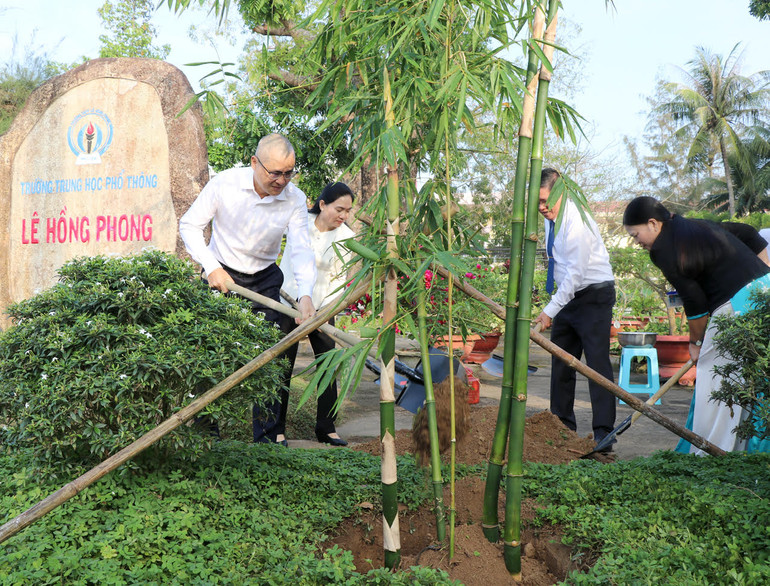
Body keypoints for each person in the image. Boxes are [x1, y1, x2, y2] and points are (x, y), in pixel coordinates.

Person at [179, 133, 317, 445]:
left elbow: (301, 249)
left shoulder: (294, 198)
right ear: (255, 162)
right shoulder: (224, 184)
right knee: (209, 355)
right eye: (275, 173)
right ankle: (206, 436)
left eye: (288, 173)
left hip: (265, 280)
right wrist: (211, 267)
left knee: (269, 358)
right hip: (221, 275)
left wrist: (306, 294)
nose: (282, 181)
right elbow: (189, 225)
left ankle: (267, 440)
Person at [622, 196, 770, 455]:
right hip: (763, 295)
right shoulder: (697, 226)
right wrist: (763, 276)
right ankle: (745, 452)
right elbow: (748, 233)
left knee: (714, 380)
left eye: (636, 235)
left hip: (736, 307)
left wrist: (696, 343)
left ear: (653, 224)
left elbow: (695, 303)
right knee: (751, 377)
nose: (637, 243)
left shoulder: (663, 249)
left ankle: (709, 452)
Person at [533, 168, 617, 451]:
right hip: (567, 296)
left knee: (597, 364)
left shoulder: (577, 221)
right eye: (537, 202)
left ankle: (604, 435)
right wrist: (555, 305)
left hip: (594, 295)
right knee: (561, 362)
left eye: (545, 201)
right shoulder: (551, 218)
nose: (542, 208)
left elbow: (576, 275)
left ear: (560, 192)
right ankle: (562, 430)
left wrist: (549, 311)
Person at [278, 182, 356, 446]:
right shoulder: (300, 224)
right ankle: (276, 429)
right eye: (339, 209)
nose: (344, 215)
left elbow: (338, 279)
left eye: (348, 211)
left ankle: (326, 428)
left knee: (327, 366)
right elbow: (291, 265)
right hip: (288, 302)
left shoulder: (347, 237)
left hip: (323, 309)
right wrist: (299, 304)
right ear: (322, 204)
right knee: (282, 367)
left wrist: (323, 313)